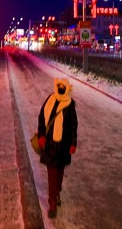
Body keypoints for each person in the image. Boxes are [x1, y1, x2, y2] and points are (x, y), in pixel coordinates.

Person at [37, 77, 78, 219]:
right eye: (59, 86)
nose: (60, 89)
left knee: (60, 172)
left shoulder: (70, 104)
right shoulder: (50, 99)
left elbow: (74, 125)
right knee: (52, 174)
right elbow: (42, 117)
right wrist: (41, 135)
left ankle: (57, 192)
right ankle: (52, 201)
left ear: (67, 89)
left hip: (64, 146)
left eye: (63, 87)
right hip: (49, 145)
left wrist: (73, 143)